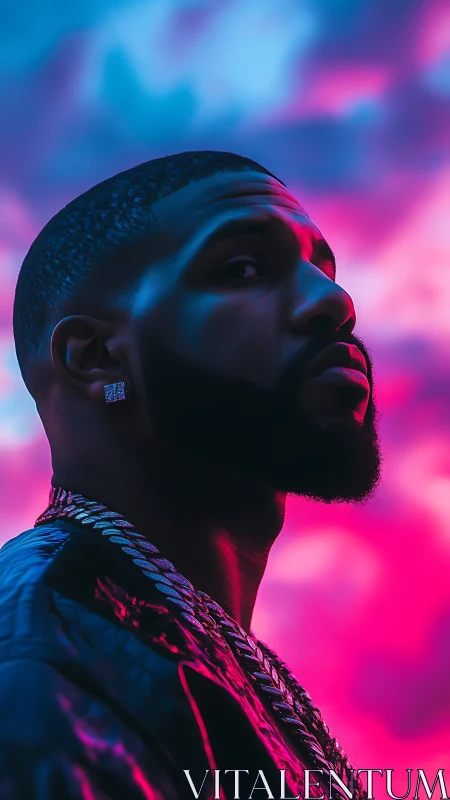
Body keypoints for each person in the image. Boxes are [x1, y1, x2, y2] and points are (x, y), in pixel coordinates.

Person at [1, 151, 380, 799]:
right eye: (242, 268)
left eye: (323, 267)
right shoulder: (43, 672)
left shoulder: (163, 647)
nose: (333, 302)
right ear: (95, 360)